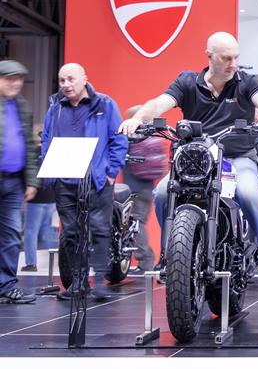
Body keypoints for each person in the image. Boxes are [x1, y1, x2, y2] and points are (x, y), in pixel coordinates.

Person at [119, 32, 258, 272]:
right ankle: (172, 255)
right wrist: (138, 118)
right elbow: (159, 103)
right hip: (196, 158)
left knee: (251, 194)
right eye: (226, 58)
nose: (233, 64)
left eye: (236, 58)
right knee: (161, 193)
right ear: (209, 56)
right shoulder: (187, 83)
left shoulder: (246, 82)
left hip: (237, 158)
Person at [41, 63, 127, 300]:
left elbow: (118, 139)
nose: (66, 85)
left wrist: (110, 173)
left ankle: (99, 281)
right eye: (61, 81)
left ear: (84, 79)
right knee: (70, 233)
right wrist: (50, 171)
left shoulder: (105, 104)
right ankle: (79, 283)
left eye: (70, 79)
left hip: (96, 181)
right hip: (64, 181)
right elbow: (47, 139)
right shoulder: (55, 109)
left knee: (100, 231)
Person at [0, 60, 39, 304]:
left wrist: (32, 181)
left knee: (12, 236)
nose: (15, 83)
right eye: (9, 79)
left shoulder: (22, 106)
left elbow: (29, 146)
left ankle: (7, 285)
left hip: (14, 183)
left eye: (19, 79)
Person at [121, 105, 166, 275]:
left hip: (134, 188)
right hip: (148, 186)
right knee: (139, 223)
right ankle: (144, 261)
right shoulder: (152, 136)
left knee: (135, 223)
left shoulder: (132, 136)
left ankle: (145, 261)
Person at [21, 123, 57, 272]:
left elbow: (29, 174)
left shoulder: (32, 153)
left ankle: (31, 263)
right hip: (51, 196)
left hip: (36, 197)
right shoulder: (51, 152)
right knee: (48, 230)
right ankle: (53, 262)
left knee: (30, 231)